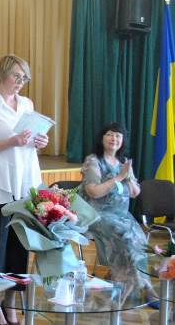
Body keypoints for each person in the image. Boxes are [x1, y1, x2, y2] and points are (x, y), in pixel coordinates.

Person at [0, 55, 48, 325]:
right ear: (1, 74)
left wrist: (39, 141)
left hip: (24, 184)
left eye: (24, 77)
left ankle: (11, 302)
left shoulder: (27, 104)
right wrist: (11, 141)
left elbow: (29, 143)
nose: (20, 82)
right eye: (17, 76)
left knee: (18, 250)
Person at [80, 122, 158, 303]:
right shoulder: (93, 161)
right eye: (110, 134)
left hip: (122, 216)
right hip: (98, 214)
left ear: (122, 141)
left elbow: (135, 193)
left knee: (139, 239)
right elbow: (93, 192)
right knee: (127, 237)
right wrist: (119, 177)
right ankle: (145, 287)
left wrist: (128, 177)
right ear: (102, 138)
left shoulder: (124, 163)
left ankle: (119, 279)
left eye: (118, 136)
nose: (114, 139)